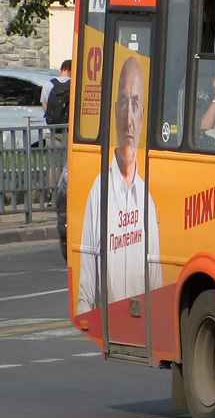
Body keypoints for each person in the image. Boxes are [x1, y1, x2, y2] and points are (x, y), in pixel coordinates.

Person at [78, 55, 161, 313]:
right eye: (124, 103)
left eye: (135, 104)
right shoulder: (99, 190)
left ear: (143, 115)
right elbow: (88, 267)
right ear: (114, 111)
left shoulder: (147, 199)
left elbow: (155, 279)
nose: (128, 120)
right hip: (109, 321)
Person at [41, 59, 72, 124]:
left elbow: (44, 105)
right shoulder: (74, 84)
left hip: (51, 127)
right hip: (67, 127)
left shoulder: (48, 84)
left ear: (60, 70)